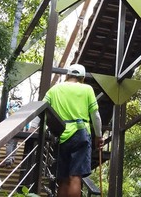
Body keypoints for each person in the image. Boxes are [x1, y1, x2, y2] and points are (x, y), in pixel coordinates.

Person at [44, 63, 103, 197]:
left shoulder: (54, 89)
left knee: (63, 178)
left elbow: (43, 109)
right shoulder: (87, 89)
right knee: (75, 176)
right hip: (80, 133)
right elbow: (96, 115)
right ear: (82, 77)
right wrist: (98, 136)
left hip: (60, 134)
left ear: (67, 75)